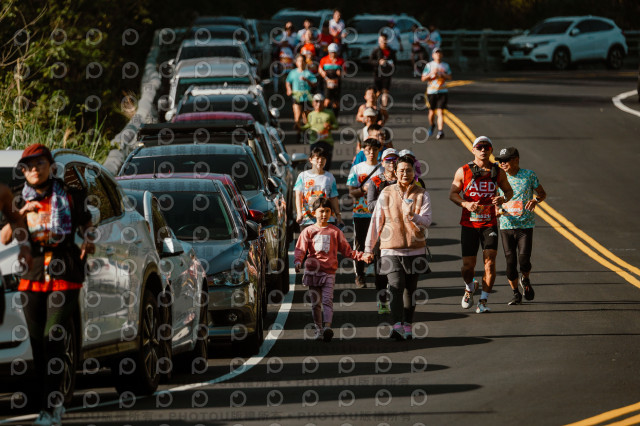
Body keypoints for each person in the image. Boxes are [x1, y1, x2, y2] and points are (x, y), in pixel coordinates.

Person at [6, 144, 94, 425]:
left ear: (50, 166)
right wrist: (22, 212)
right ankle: (50, 402)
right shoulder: (17, 199)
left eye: (39, 164)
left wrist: (89, 240)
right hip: (32, 276)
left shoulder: (70, 195)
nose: (34, 170)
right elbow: (5, 237)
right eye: (28, 166)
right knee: (38, 345)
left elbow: (87, 223)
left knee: (54, 337)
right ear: (23, 171)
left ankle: (50, 407)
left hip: (64, 272)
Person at [364, 155, 433, 340]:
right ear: (395, 172)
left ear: (414, 172)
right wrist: (368, 249)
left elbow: (427, 221)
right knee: (395, 285)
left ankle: (408, 325)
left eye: (408, 170)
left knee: (410, 289)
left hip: (416, 248)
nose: (405, 173)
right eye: (401, 170)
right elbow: (376, 221)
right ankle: (396, 326)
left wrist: (413, 216)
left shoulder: (422, 193)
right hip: (390, 248)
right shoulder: (386, 192)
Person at [449, 136, 513, 313]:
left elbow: (509, 191)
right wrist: (465, 204)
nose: (483, 150)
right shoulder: (463, 171)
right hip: (469, 224)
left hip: (489, 223)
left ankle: (483, 301)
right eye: (480, 147)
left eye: (487, 147)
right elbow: (453, 193)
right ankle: (469, 287)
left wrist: (503, 198)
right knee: (467, 267)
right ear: (473, 150)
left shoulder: (497, 171)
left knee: (489, 263)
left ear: (491, 150)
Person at [294, 197, 366, 341]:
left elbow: (347, 250)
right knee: (315, 304)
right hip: (313, 272)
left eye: (327, 211)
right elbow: (300, 249)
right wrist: (298, 261)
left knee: (327, 300)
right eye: (321, 211)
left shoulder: (335, 232)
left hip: (329, 273)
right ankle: (318, 329)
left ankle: (327, 327)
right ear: (314, 212)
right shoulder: (308, 231)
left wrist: (361, 256)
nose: (324, 214)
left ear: (331, 213)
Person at [494, 147, 547, 305]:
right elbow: (494, 199)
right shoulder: (497, 177)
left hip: (525, 225)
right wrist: (497, 210)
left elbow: (542, 193)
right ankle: (516, 293)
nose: (502, 164)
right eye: (500, 161)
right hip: (506, 225)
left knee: (524, 260)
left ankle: (525, 278)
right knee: (510, 262)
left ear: (516, 159)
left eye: (506, 160)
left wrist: (535, 200)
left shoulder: (529, 175)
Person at [365, 148, 399, 314]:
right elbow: (370, 205)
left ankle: (398, 300)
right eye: (388, 160)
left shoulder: (403, 179)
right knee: (381, 268)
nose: (391, 163)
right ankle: (383, 299)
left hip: (400, 229)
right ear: (382, 163)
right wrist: (388, 201)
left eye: (394, 159)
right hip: (382, 229)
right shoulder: (376, 181)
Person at [347, 138, 383, 289]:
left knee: (379, 246)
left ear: (378, 151)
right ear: (363, 151)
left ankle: (380, 277)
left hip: (379, 214)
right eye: (368, 150)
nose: (371, 153)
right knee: (360, 245)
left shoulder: (383, 169)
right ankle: (359, 276)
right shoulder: (357, 169)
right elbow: (351, 192)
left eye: (374, 150)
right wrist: (363, 189)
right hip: (361, 213)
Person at [294, 147, 343, 231]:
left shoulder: (329, 177)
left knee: (325, 239)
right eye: (317, 158)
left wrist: (338, 216)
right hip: (307, 218)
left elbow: (333, 197)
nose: (320, 161)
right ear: (310, 160)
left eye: (323, 158)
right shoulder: (303, 176)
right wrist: (299, 213)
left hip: (326, 219)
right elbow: (298, 195)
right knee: (308, 239)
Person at [421, 47, 452, 140]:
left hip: (443, 91)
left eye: (439, 53)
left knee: (440, 111)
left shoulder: (445, 65)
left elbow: (450, 77)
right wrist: (431, 74)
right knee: (431, 112)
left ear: (442, 55)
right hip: (432, 91)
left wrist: (442, 74)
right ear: (433, 55)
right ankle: (432, 125)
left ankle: (440, 130)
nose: (438, 54)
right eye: (436, 53)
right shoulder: (429, 65)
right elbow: (423, 78)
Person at [300, 93, 338, 167]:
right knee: (315, 164)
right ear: (313, 103)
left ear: (324, 103)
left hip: (327, 141)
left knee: (325, 164)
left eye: (321, 101)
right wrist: (299, 128)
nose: (319, 103)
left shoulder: (329, 113)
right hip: (314, 141)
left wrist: (330, 126)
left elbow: (336, 126)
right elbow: (308, 126)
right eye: (316, 101)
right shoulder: (311, 114)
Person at [286, 55, 317, 138]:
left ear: (305, 62)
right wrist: (288, 89)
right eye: (299, 61)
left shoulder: (308, 73)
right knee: (297, 117)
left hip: (307, 97)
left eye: (302, 61)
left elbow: (314, 84)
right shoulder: (293, 73)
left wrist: (307, 80)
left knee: (306, 118)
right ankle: (298, 133)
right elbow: (288, 81)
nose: (301, 63)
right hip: (297, 97)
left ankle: (306, 134)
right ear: (296, 63)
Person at [370, 34, 396, 109]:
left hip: (387, 74)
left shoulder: (391, 51)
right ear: (379, 41)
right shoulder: (376, 50)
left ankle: (384, 108)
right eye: (381, 41)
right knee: (378, 92)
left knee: (385, 91)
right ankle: (374, 107)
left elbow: (395, 61)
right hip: (377, 73)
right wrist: (379, 62)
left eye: (384, 41)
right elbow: (370, 61)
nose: (383, 43)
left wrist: (392, 65)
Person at [318, 43, 344, 115]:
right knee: (327, 100)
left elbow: (345, 72)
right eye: (331, 52)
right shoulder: (324, 60)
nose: (333, 54)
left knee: (336, 102)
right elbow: (320, 69)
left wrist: (341, 73)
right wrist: (323, 74)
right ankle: (327, 115)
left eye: (334, 52)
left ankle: (335, 116)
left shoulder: (340, 61)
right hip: (327, 82)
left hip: (337, 83)